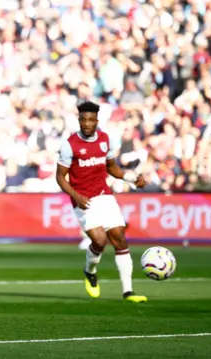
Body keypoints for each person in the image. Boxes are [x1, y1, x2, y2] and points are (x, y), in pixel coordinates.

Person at [55, 101, 147, 303]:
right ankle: (90, 271)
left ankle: (128, 292)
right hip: (83, 200)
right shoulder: (69, 144)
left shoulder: (105, 140)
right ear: (79, 120)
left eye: (90, 120)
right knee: (99, 240)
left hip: (104, 195)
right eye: (83, 120)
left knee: (120, 239)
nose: (86, 124)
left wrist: (131, 178)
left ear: (97, 121)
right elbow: (60, 177)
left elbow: (111, 167)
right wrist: (76, 196)